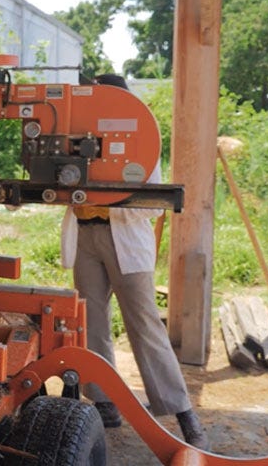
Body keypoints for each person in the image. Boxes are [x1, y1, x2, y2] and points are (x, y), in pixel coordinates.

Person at [59, 73, 208, 450]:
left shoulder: (141, 133)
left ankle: (181, 409)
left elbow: (148, 197)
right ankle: (104, 401)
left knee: (143, 324)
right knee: (91, 321)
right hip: (86, 233)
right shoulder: (79, 130)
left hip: (124, 237)